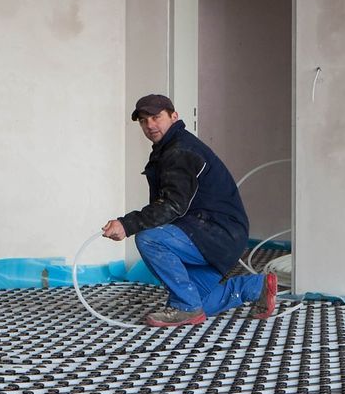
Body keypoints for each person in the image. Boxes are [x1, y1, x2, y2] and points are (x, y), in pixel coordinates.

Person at [100, 94, 277, 327]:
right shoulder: (169, 148)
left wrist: (127, 224)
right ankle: (257, 286)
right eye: (143, 120)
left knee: (149, 239)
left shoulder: (180, 150)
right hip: (214, 234)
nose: (149, 125)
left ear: (174, 116)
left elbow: (172, 205)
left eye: (156, 117)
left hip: (215, 233)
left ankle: (185, 307)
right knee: (201, 303)